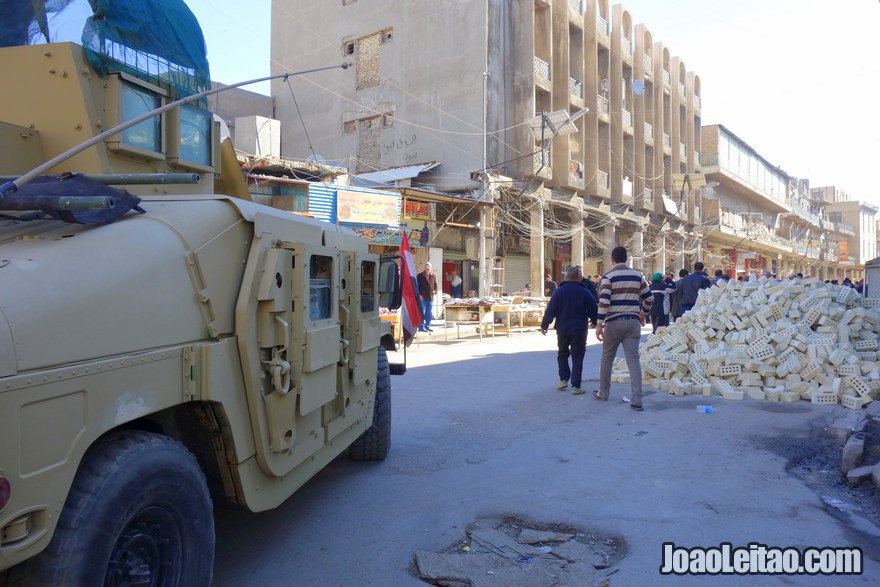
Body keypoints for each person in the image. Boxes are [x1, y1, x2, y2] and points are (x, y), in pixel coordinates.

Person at [593, 246, 653, 411]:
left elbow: (604, 302)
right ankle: (637, 400)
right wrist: (643, 314)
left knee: (607, 359)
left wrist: (599, 324)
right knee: (633, 361)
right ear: (626, 259)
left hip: (613, 323)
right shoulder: (638, 276)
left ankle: (603, 393)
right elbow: (649, 298)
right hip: (633, 323)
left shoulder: (608, 277)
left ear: (612, 260)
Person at [540, 266, 598, 395]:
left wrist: (544, 325)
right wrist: (595, 322)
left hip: (562, 329)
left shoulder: (559, 292)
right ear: (580, 277)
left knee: (562, 353)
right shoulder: (584, 292)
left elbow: (551, 310)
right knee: (578, 356)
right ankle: (576, 386)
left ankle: (563, 380)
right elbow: (593, 309)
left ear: (566, 278)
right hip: (579, 330)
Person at [417, 262, 438, 332]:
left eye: (428, 267)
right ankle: (421, 327)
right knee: (422, 313)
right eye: (426, 266)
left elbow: (436, 286)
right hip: (422, 298)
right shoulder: (419, 276)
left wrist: (435, 291)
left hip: (430, 298)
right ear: (424, 268)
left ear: (430, 268)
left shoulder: (433, 276)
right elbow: (416, 287)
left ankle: (428, 326)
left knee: (429, 313)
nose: (427, 268)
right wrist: (419, 295)